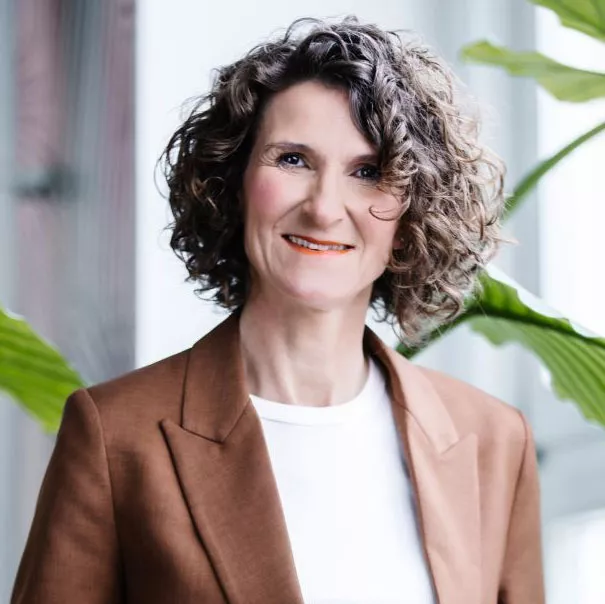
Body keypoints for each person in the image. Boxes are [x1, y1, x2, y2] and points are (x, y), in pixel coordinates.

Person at [12, 16, 545, 604]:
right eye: (293, 159)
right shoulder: (116, 436)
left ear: (412, 215)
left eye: (368, 172)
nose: (324, 208)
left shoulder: (493, 441)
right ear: (233, 183)